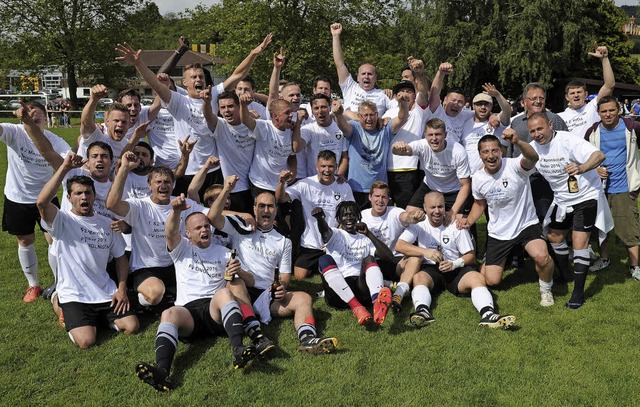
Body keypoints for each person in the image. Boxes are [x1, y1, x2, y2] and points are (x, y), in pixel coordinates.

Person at [115, 35, 272, 197]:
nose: (199, 80)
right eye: (194, 77)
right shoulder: (177, 101)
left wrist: (254, 52)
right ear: (185, 82)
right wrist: (138, 63)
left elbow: (238, 74)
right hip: (187, 170)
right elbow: (154, 83)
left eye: (201, 77)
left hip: (213, 168)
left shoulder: (214, 93)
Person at [135, 195, 258, 393]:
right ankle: (163, 371)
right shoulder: (181, 249)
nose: (204, 230)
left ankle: (238, 349)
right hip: (189, 314)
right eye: (198, 228)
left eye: (206, 226)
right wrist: (175, 210)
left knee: (225, 294)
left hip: (215, 311)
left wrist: (240, 272)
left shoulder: (224, 252)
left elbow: (251, 281)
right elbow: (170, 231)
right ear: (188, 233)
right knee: (168, 313)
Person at [209, 177, 339, 354]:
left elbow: (285, 275)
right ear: (254, 209)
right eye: (261, 206)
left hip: (267, 294)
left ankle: (308, 339)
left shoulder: (283, 241)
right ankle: (258, 337)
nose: (266, 210)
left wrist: (282, 287)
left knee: (304, 298)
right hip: (242, 291)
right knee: (235, 281)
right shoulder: (241, 228)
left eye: (270, 206)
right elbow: (212, 216)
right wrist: (229, 195)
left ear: (276, 210)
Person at [37, 153, 139, 348]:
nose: (84, 197)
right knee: (86, 341)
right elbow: (42, 203)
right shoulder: (62, 221)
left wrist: (122, 289)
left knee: (132, 326)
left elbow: (120, 259)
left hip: (105, 291)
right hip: (74, 294)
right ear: (69, 197)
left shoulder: (107, 224)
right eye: (78, 193)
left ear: (94, 196)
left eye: (88, 193)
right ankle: (58, 301)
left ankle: (100, 319)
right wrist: (65, 168)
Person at [459, 133, 555, 307]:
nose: (491, 155)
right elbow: (480, 204)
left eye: (495, 150)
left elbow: (533, 157)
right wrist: (469, 221)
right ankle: (489, 263)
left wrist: (517, 141)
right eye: (486, 152)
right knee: (492, 281)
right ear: (480, 154)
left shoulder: (515, 165)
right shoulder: (478, 178)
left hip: (526, 224)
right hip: (499, 231)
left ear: (501, 152)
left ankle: (546, 290)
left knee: (542, 257)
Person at [528, 112, 611, 309]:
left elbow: (599, 155)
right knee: (555, 237)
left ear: (549, 125)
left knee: (579, 242)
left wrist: (582, 168)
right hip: (562, 200)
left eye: (540, 128)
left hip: (586, 196)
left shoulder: (567, 140)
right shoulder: (533, 149)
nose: (537, 134)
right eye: (532, 131)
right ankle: (565, 274)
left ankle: (578, 293)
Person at [396, 192, 515, 329]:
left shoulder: (455, 225)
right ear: (424, 208)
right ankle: (422, 312)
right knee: (418, 277)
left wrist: (454, 264)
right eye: (432, 207)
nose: (437, 211)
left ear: (445, 207)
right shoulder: (419, 225)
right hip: (431, 270)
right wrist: (426, 252)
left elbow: (470, 256)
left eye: (440, 207)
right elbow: (400, 246)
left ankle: (488, 315)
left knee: (477, 277)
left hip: (455, 268)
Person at [107, 152, 207, 307]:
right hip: (146, 267)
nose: (163, 185)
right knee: (155, 294)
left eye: (167, 181)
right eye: (158, 181)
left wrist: (241, 214)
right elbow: (112, 204)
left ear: (173, 184)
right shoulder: (140, 206)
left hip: (177, 264)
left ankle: (168, 295)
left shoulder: (183, 203)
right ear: (149, 184)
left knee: (201, 288)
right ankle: (139, 298)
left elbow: (211, 214)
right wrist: (124, 168)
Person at [1, 101, 71, 302]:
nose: (33, 123)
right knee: (25, 240)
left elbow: (68, 157)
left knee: (55, 240)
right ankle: (33, 284)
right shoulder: (15, 132)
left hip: (47, 197)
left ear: (46, 120)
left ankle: (60, 283)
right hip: (17, 197)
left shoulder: (54, 141)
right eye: (29, 119)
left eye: (37, 120)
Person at [585, 96, 640, 280]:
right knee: (601, 227)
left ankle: (634, 266)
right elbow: (584, 157)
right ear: (598, 113)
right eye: (603, 111)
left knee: (628, 228)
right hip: (599, 189)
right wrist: (595, 168)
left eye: (611, 110)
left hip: (625, 187)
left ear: (618, 110)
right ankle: (604, 259)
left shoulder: (632, 127)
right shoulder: (592, 131)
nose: (608, 114)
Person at [276, 150, 354, 279]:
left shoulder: (343, 187)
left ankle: (324, 266)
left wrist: (337, 235)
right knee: (299, 276)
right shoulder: (305, 184)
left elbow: (350, 214)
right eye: (323, 166)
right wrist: (281, 182)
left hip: (333, 241)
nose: (327, 170)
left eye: (330, 166)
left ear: (336, 167)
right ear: (317, 166)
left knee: (341, 275)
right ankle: (319, 267)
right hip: (310, 243)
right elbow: (281, 198)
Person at [313, 202, 395, 326]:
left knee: (369, 259)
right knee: (324, 259)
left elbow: (389, 256)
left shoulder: (365, 237)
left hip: (361, 289)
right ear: (339, 219)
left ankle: (377, 302)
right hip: (338, 293)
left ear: (358, 217)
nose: (349, 217)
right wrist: (320, 219)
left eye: (352, 214)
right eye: (344, 215)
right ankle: (357, 308)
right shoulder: (335, 234)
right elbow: (325, 232)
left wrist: (369, 234)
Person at [360, 181, 425, 312]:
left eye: (384, 197)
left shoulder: (395, 212)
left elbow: (406, 217)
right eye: (377, 196)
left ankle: (398, 295)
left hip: (396, 261)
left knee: (415, 259)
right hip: (374, 262)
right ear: (370, 197)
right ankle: (386, 286)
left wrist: (414, 216)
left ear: (389, 199)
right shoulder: (362, 215)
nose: (380, 200)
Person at [333, 96, 409, 208]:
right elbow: (343, 126)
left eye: (372, 114)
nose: (369, 118)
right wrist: (338, 115)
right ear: (359, 116)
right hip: (356, 188)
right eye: (366, 115)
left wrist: (403, 104)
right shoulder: (354, 128)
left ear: (377, 115)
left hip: (379, 191)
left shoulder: (385, 128)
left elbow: (402, 118)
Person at [392, 118, 471, 224]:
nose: (434, 138)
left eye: (438, 134)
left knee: (459, 224)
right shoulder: (422, 145)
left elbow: (466, 185)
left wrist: (453, 212)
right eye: (430, 135)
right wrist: (396, 147)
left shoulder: (458, 152)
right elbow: (402, 151)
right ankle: (416, 240)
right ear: (425, 135)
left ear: (445, 135)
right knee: (410, 215)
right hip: (430, 187)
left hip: (454, 191)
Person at [383, 57, 431, 208]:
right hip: (386, 170)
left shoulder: (419, 111)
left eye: (409, 91)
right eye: (401, 91)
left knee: (408, 211)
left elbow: (423, 91)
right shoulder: (388, 113)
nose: (405, 94)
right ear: (396, 96)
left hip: (409, 169)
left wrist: (420, 73)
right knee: (388, 212)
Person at [203, 90, 256, 214]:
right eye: (223, 107)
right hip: (234, 188)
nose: (226, 110)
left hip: (256, 185)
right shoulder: (220, 126)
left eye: (230, 106)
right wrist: (206, 102)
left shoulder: (253, 125)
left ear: (239, 106)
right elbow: (207, 115)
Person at [330, 22, 391, 119]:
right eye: (363, 74)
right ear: (358, 77)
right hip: (350, 132)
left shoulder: (383, 94)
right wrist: (336, 36)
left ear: (376, 78)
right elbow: (339, 64)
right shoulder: (350, 87)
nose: (366, 76)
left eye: (370, 74)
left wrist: (384, 119)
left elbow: (398, 109)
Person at [77, 85, 137, 173]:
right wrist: (94, 99)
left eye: (124, 122)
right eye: (116, 121)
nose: (120, 124)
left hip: (105, 185)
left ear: (129, 124)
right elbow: (86, 123)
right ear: (107, 122)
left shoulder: (126, 145)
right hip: (81, 183)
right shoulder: (98, 134)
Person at [558, 45, 615, 137]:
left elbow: (609, 85)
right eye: (572, 93)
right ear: (567, 97)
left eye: (579, 92)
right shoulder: (560, 117)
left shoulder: (593, 107)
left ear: (586, 94)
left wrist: (604, 59)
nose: (576, 95)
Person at [461, 84, 512, 174]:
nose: (483, 107)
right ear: (473, 106)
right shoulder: (464, 123)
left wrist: (497, 95)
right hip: (467, 176)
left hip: (490, 175)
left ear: (491, 106)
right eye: (479, 104)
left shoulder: (497, 122)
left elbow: (507, 111)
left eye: (486, 104)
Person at [299, 94, 349, 181]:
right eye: (316, 108)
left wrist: (339, 175)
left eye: (323, 107)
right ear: (312, 111)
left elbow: (345, 156)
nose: (320, 111)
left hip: (335, 181)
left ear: (330, 107)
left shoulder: (340, 127)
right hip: (314, 182)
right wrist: (297, 122)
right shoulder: (307, 129)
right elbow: (296, 148)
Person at [427, 62, 475, 144]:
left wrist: (492, 116)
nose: (456, 104)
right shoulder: (437, 112)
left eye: (460, 102)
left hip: (455, 153)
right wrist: (440, 73)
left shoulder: (465, 115)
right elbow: (434, 93)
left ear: (464, 105)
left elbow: (482, 112)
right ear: (445, 100)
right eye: (453, 100)